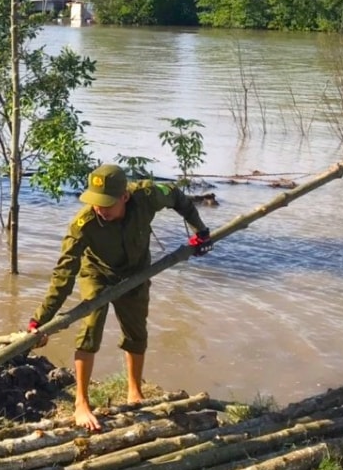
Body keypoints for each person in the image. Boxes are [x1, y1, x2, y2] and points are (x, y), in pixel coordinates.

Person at [28, 164, 212, 430]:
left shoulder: (147, 195)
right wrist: (40, 321)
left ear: (125, 196)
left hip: (136, 272)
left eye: (106, 204)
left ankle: (134, 390)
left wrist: (201, 232)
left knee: (136, 332)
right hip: (97, 274)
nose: (99, 209)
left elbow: (177, 196)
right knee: (90, 328)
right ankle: (81, 402)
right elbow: (63, 275)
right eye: (95, 202)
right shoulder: (83, 225)